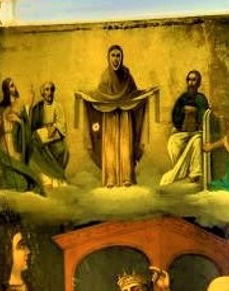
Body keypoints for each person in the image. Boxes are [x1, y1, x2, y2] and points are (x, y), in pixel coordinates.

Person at [79, 45, 157, 187]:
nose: (116, 59)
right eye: (113, 55)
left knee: (125, 145)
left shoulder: (127, 76)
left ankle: (126, 177)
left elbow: (134, 94)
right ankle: (110, 178)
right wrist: (85, 95)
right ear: (108, 58)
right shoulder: (105, 76)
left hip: (125, 115)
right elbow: (99, 95)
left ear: (122, 58)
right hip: (109, 115)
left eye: (118, 55)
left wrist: (146, 92)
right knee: (109, 146)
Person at [0, 77, 42, 193]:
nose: (14, 87)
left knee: (21, 178)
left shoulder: (20, 106)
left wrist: (19, 121)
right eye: (11, 86)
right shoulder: (0, 108)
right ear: (6, 90)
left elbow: (27, 127)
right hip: (4, 145)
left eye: (14, 85)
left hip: (17, 146)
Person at [159, 70, 209, 186]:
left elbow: (205, 116)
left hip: (197, 132)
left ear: (198, 83)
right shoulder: (182, 98)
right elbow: (175, 115)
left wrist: (195, 113)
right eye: (189, 80)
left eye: (194, 80)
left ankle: (195, 174)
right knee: (173, 142)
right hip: (184, 132)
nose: (191, 83)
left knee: (197, 142)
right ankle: (182, 170)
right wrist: (181, 118)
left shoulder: (201, 99)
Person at [29, 81, 70, 186]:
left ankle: (57, 179)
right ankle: (45, 179)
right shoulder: (38, 108)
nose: (50, 92)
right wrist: (42, 131)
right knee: (34, 148)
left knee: (62, 149)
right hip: (41, 137)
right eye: (47, 90)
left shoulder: (58, 106)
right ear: (43, 93)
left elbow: (62, 125)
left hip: (55, 137)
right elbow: (33, 126)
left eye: (52, 89)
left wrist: (55, 126)